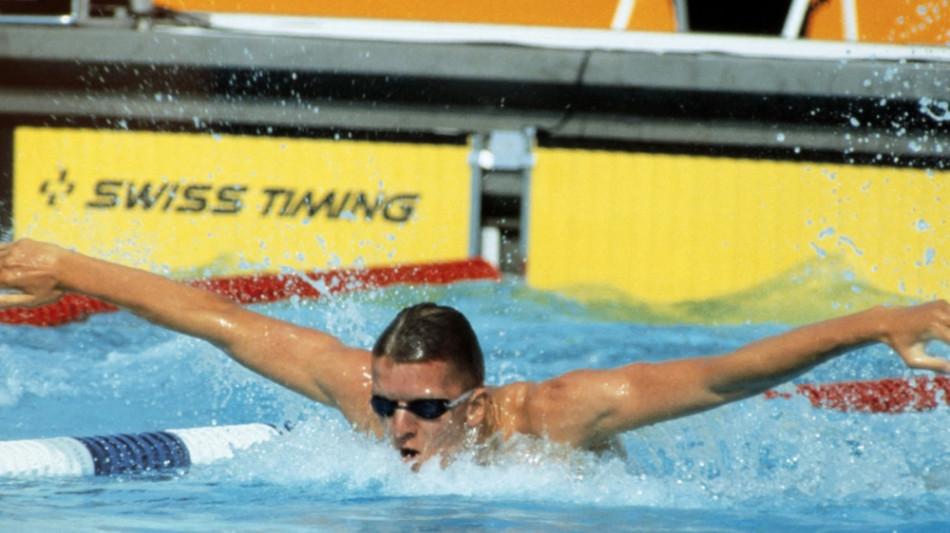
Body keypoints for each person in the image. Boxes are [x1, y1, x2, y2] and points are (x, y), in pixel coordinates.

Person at [1, 238, 949, 470]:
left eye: (425, 410)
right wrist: (71, 266)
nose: (400, 428)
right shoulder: (358, 394)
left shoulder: (555, 415)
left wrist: (872, 323)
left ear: (479, 398)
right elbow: (220, 320)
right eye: (388, 407)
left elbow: (719, 373)